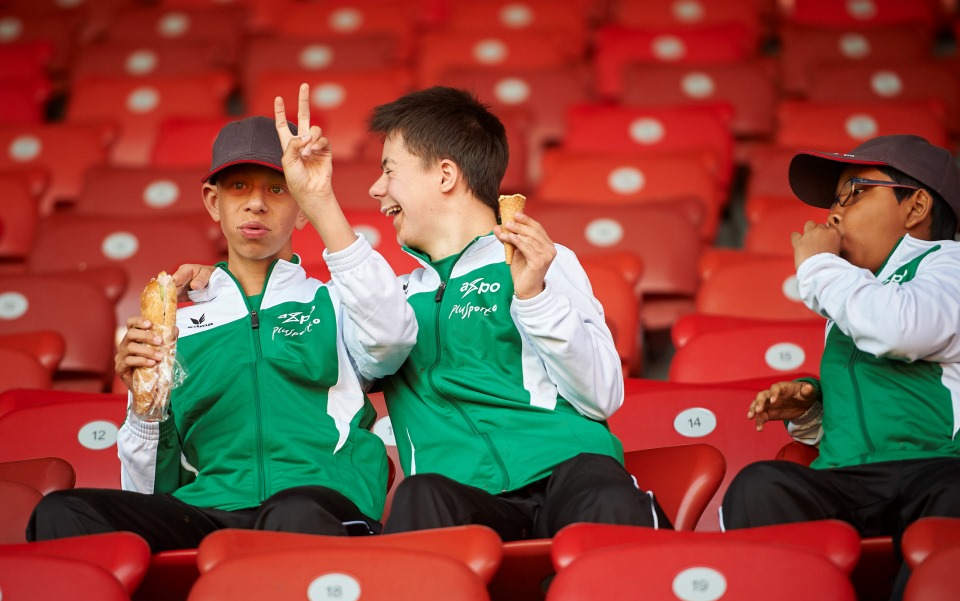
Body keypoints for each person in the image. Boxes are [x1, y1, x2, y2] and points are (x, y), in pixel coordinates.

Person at [178, 85, 668, 539]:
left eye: (390, 170)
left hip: (569, 470)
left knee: (604, 491)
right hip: (465, 497)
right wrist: (224, 285)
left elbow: (602, 396)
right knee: (419, 497)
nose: (376, 189)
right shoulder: (391, 297)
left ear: (446, 175)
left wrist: (534, 297)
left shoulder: (536, 258)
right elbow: (321, 336)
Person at [28, 92, 417, 551]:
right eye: (238, 188)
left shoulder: (336, 303)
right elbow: (148, 490)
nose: (256, 204)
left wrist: (321, 199)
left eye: (277, 189)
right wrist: (144, 406)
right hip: (211, 512)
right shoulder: (180, 328)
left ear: (301, 211)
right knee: (59, 512)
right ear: (213, 202)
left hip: (320, 507)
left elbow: (393, 335)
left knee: (291, 510)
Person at [720, 134, 960, 601]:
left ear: (915, 205)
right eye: (834, 200)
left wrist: (817, 266)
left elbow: (903, 330)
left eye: (853, 193)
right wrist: (810, 407)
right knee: (761, 486)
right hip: (850, 477)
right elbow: (877, 399)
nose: (833, 214)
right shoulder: (855, 293)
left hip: (937, 468)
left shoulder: (948, 266)